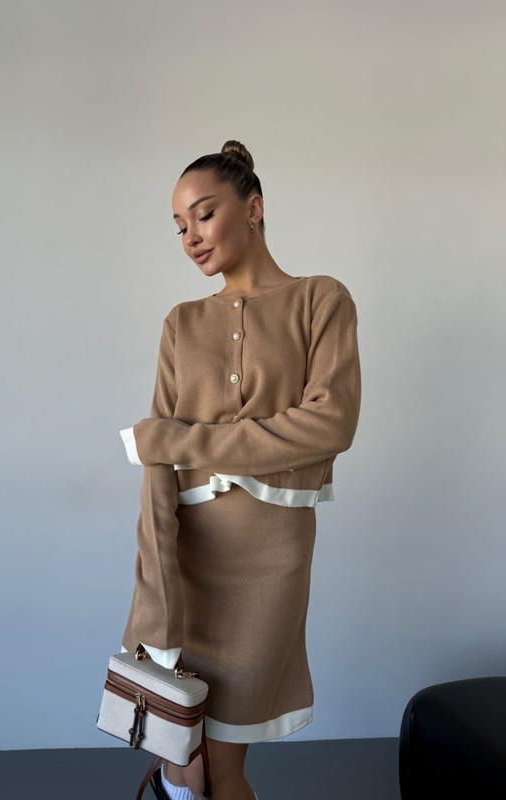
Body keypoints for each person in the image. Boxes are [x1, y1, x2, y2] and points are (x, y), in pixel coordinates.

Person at [118, 140, 362, 800]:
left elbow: (331, 424)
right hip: (185, 558)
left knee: (223, 766)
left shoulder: (321, 300)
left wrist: (186, 440)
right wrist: (153, 596)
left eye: (204, 214)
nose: (191, 237)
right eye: (179, 226)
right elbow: (157, 464)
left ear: (253, 208)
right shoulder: (182, 323)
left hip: (269, 561)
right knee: (181, 758)